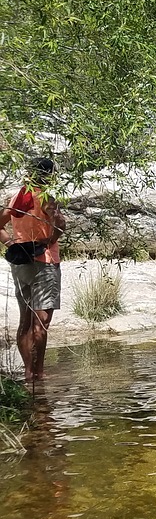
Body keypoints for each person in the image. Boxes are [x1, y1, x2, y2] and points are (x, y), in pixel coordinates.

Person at [0, 158, 66, 386]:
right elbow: (60, 225)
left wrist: (11, 245)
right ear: (50, 175)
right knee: (41, 323)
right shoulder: (46, 196)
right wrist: (51, 239)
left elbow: (0, 224)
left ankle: (28, 372)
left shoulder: (18, 196)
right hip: (44, 262)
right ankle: (39, 373)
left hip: (20, 262)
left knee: (25, 321)